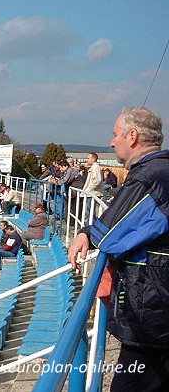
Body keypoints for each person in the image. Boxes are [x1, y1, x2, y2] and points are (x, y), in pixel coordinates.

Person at [68, 106, 168, 391]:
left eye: (115, 135)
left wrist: (88, 233)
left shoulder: (150, 177)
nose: (112, 142)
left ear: (133, 136)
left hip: (153, 318)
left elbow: (111, 233)